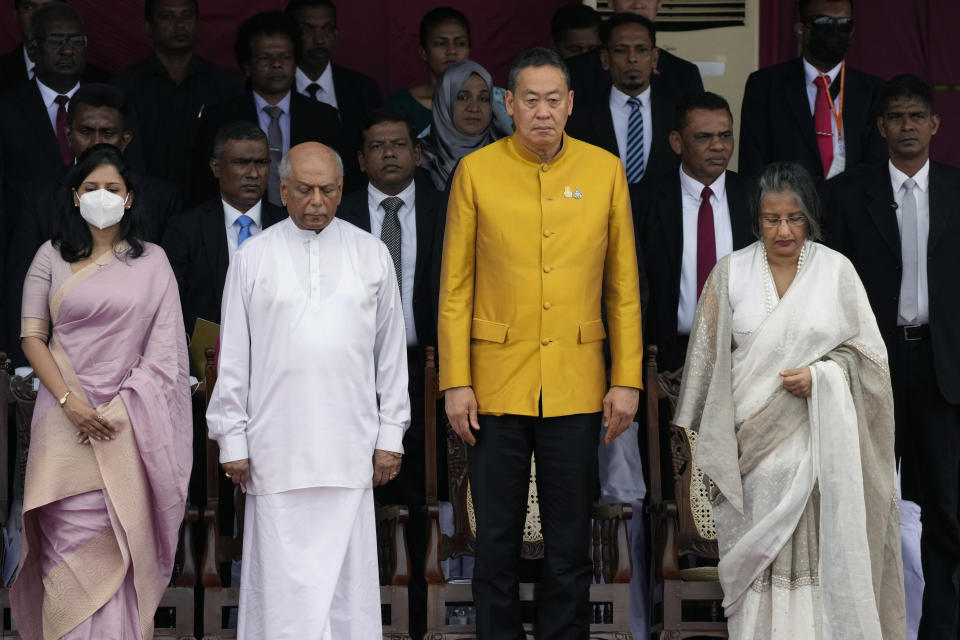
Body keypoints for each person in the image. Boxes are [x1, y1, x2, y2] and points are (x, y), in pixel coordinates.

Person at [439, 48, 643, 637]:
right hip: (494, 385)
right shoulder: (477, 172)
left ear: (572, 104)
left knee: (569, 543)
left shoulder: (603, 170)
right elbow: (454, 289)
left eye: (555, 100)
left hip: (577, 384)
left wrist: (625, 378)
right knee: (496, 544)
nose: (543, 113)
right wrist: (456, 380)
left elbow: (623, 287)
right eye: (530, 100)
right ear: (509, 104)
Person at [673, 162, 904, 639]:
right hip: (751, 450)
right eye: (771, 219)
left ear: (810, 218)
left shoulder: (836, 270)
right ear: (755, 220)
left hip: (820, 448)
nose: (783, 230)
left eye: (794, 218)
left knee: (817, 554)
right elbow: (705, 369)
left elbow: (872, 361)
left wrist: (823, 377)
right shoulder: (729, 273)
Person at [207, 142, 410, 639]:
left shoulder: (371, 253)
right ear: (283, 190)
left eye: (327, 190)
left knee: (346, 587)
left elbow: (391, 356)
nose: (316, 200)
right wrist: (232, 438)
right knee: (280, 586)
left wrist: (391, 436)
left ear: (343, 191)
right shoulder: (254, 256)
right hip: (277, 450)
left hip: (350, 448)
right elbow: (233, 356)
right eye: (304, 190)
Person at [10, 143, 192, 639]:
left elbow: (167, 354)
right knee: (66, 550)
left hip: (127, 427)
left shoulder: (152, 262)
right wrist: (72, 404)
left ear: (130, 198)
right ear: (74, 196)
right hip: (64, 425)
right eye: (91, 188)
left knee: (120, 548)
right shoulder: (49, 257)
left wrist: (119, 409)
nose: (102, 197)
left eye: (113, 189)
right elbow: (32, 337)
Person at [825, 74, 960, 640]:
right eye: (896, 118)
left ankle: (941, 629)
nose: (906, 127)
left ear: (934, 125)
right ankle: (863, 625)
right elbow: (828, 287)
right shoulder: (845, 193)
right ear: (880, 127)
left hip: (942, 367)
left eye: (916, 118)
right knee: (862, 503)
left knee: (947, 511)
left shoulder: (956, 189)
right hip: (871, 366)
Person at [337, 107, 446, 638]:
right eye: (377, 146)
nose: (389, 154)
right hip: (352, 375)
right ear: (360, 160)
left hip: (429, 366)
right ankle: (366, 611)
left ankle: (421, 615)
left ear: (418, 152)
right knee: (360, 489)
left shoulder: (447, 209)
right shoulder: (338, 212)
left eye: (399, 144)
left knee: (426, 490)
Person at [5, 83, 182, 365]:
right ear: (67, 135)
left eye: (107, 133)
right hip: (59, 367)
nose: (96, 141)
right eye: (86, 131)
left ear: (126, 139)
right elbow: (20, 289)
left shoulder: (161, 198)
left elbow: (168, 296)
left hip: (137, 364)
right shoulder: (37, 197)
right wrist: (29, 369)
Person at [191, 11, 354, 207]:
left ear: (295, 63)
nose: (276, 64)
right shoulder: (220, 118)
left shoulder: (323, 117)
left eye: (285, 57)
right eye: (265, 58)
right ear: (248, 66)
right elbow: (203, 186)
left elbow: (341, 182)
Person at [640, 92, 752, 372]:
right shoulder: (644, 201)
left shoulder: (754, 197)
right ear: (677, 142)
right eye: (704, 137)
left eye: (725, 136)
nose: (718, 146)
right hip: (665, 358)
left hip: (741, 356)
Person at [163, 121, 285, 335]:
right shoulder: (185, 230)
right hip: (206, 361)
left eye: (262, 163)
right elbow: (169, 308)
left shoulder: (287, 225)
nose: (254, 174)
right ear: (216, 167)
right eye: (241, 162)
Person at [739, 0, 885, 180]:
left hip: (853, 204)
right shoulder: (765, 85)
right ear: (801, 29)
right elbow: (753, 164)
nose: (835, 32)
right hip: (785, 203)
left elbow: (876, 165)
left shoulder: (873, 91)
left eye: (844, 24)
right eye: (824, 22)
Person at [115, 0, 242, 197]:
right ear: (148, 28)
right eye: (168, 17)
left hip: (208, 206)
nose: (180, 24)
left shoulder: (224, 86)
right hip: (143, 203)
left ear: (198, 24)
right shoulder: (125, 86)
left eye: (187, 16)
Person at [0, 4, 110, 223]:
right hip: (27, 240)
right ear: (32, 49)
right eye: (55, 41)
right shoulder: (6, 110)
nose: (67, 50)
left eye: (76, 41)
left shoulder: (110, 103)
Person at [566, 12, 678, 190]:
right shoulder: (578, 118)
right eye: (621, 50)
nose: (632, 58)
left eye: (641, 49)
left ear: (654, 58)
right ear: (605, 59)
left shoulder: (677, 115)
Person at [566, 0, 703, 106]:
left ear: (659, 2)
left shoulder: (685, 75)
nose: (638, 4)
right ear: (610, 1)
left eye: (641, 49)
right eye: (620, 50)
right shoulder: (573, 72)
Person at [285, 0, 382, 148]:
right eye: (307, 30)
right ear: (290, 37)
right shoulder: (276, 88)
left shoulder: (363, 89)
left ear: (336, 34)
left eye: (327, 29)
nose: (319, 40)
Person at [419, 59, 512, 191]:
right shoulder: (418, 158)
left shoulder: (510, 155)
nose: (474, 108)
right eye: (462, 97)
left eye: (483, 99)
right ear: (444, 101)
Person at [385, 6, 471, 136]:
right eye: (440, 44)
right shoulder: (400, 105)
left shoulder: (493, 101)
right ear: (423, 52)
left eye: (461, 43)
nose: (452, 51)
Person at [0, 0, 65, 92]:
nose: (38, 16)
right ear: (16, 16)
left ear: (66, 16)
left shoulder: (90, 78)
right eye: (28, 7)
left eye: (49, 8)